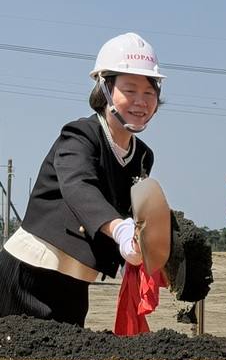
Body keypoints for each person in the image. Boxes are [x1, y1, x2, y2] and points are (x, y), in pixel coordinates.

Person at [0, 33, 165, 326]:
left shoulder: (142, 156)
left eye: (149, 93)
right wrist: (120, 229)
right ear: (105, 88)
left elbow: (140, 213)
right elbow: (79, 187)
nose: (141, 102)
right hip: (29, 274)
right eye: (130, 90)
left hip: (77, 281)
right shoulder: (80, 136)